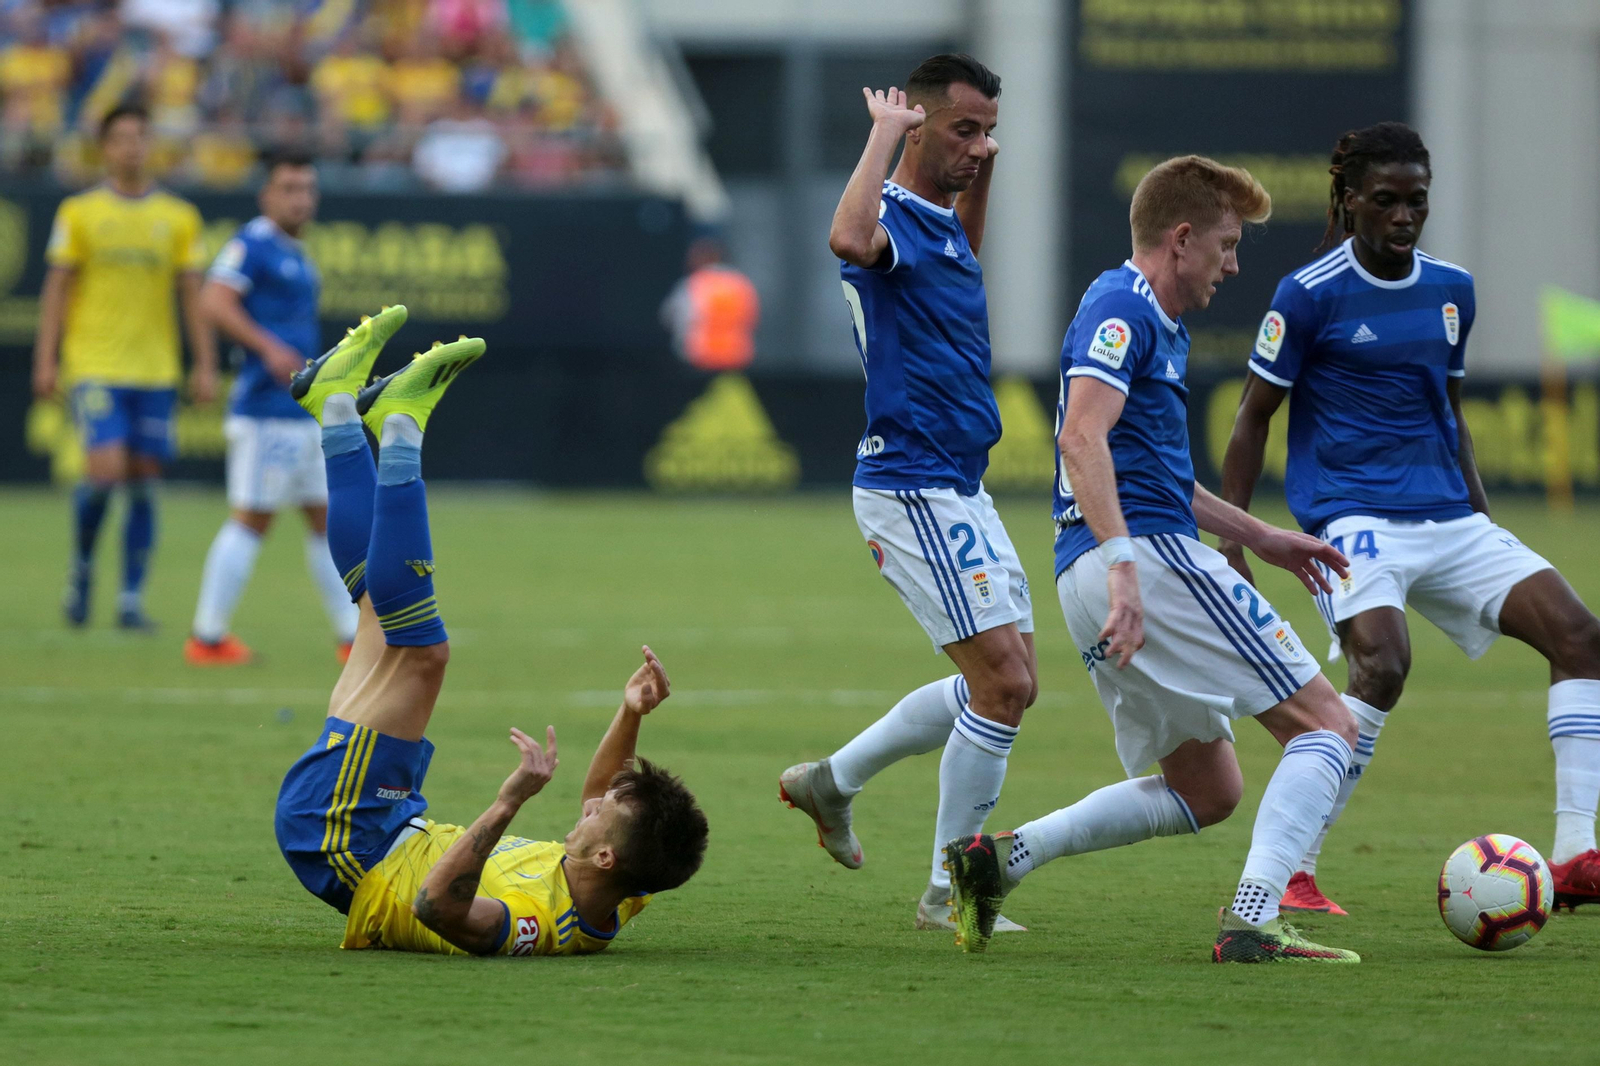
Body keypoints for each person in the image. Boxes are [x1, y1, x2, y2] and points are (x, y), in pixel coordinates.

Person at [943, 156, 1364, 963]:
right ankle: (1252, 918)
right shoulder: (1122, 305)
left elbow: (1164, 481)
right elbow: (1078, 437)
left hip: (1100, 570)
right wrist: (1129, 569)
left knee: (1209, 791)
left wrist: (1261, 536)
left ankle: (996, 861)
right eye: (1227, 245)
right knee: (1328, 726)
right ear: (1181, 239)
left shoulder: (1152, 323)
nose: (1233, 265)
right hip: (1143, 567)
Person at [1219, 121, 1600, 915]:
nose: (1403, 216)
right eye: (1386, 201)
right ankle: (1297, 868)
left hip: (1450, 517)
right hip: (1350, 517)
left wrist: (1485, 522)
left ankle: (1574, 857)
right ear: (1351, 200)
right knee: (1383, 667)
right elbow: (1253, 418)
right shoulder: (1309, 293)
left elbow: (1448, 411)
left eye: (1416, 202)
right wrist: (1235, 542)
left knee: (1581, 636)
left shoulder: (1452, 288)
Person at [275, 312, 709, 955]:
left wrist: (510, 800)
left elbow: (437, 908)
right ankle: (335, 406)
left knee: (425, 653)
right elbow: (602, 795)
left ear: (608, 857)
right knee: (377, 608)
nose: (587, 806)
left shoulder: (540, 924)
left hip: (348, 838)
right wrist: (628, 712)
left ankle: (400, 425)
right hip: (388, 818)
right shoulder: (630, 878)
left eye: (600, 816)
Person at [778, 54, 1037, 934]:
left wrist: (982, 176)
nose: (981, 144)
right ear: (918, 126)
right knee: (1003, 685)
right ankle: (950, 892)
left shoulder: (939, 223)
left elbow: (960, 250)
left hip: (962, 486)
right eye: (964, 129)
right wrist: (882, 137)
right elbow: (848, 241)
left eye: (988, 129)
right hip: (912, 484)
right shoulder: (888, 212)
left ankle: (832, 780)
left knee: (1004, 683)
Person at [33, 103, 217, 630]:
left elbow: (193, 296)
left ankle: (131, 599)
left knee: (143, 478)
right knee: (106, 469)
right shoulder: (79, 212)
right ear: (105, 147)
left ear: (150, 143)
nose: (132, 146)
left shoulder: (179, 217)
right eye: (121, 138)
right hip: (94, 362)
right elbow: (57, 289)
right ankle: (84, 566)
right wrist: (46, 359)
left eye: (140, 136)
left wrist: (203, 364)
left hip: (155, 368)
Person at [186, 150, 357, 665]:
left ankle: (351, 637)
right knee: (251, 520)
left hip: (298, 411)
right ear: (266, 194)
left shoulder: (294, 250)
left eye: (307, 189)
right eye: (289, 188)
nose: (300, 199)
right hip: (265, 409)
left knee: (324, 519)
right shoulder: (253, 243)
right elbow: (212, 301)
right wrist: (267, 348)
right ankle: (207, 637)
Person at [659, 237, 760, 372]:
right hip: (738, 358)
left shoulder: (692, 285)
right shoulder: (741, 284)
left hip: (699, 359)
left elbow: (671, 318)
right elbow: (753, 318)